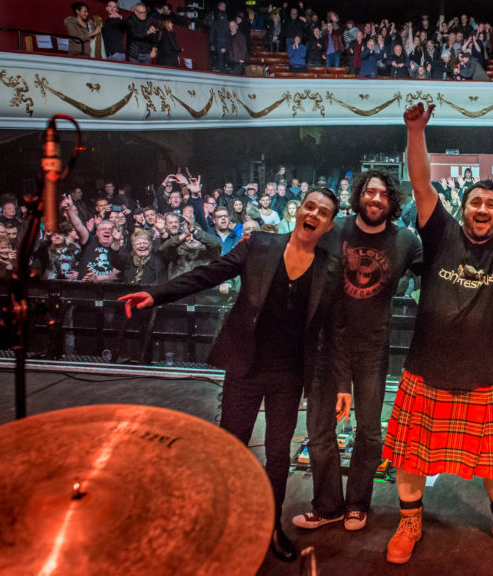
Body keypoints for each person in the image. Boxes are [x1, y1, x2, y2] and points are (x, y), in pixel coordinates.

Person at [117, 188, 348, 564]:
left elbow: (335, 330)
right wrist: (156, 295)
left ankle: (271, 525)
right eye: (310, 206)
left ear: (328, 224)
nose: (314, 214)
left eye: (323, 212)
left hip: (289, 375)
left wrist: (343, 384)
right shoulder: (260, 245)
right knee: (231, 446)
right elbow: (209, 274)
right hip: (246, 366)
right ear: (299, 211)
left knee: (277, 453)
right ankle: (225, 517)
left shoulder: (330, 266)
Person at [381, 103, 493, 565]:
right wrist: (416, 131)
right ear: (463, 207)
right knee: (411, 458)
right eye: (475, 201)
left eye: (491, 204)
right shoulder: (440, 235)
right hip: (427, 372)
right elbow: (420, 182)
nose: (482, 208)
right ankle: (409, 521)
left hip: (483, 375)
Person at [294, 170, 423, 533]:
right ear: (359, 196)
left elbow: (438, 272)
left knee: (369, 432)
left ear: (391, 201)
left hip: (371, 348)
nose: (376, 199)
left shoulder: (405, 241)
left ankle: (357, 505)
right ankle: (327, 506)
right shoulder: (333, 232)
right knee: (319, 430)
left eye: (383, 194)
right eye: (370, 192)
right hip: (326, 344)